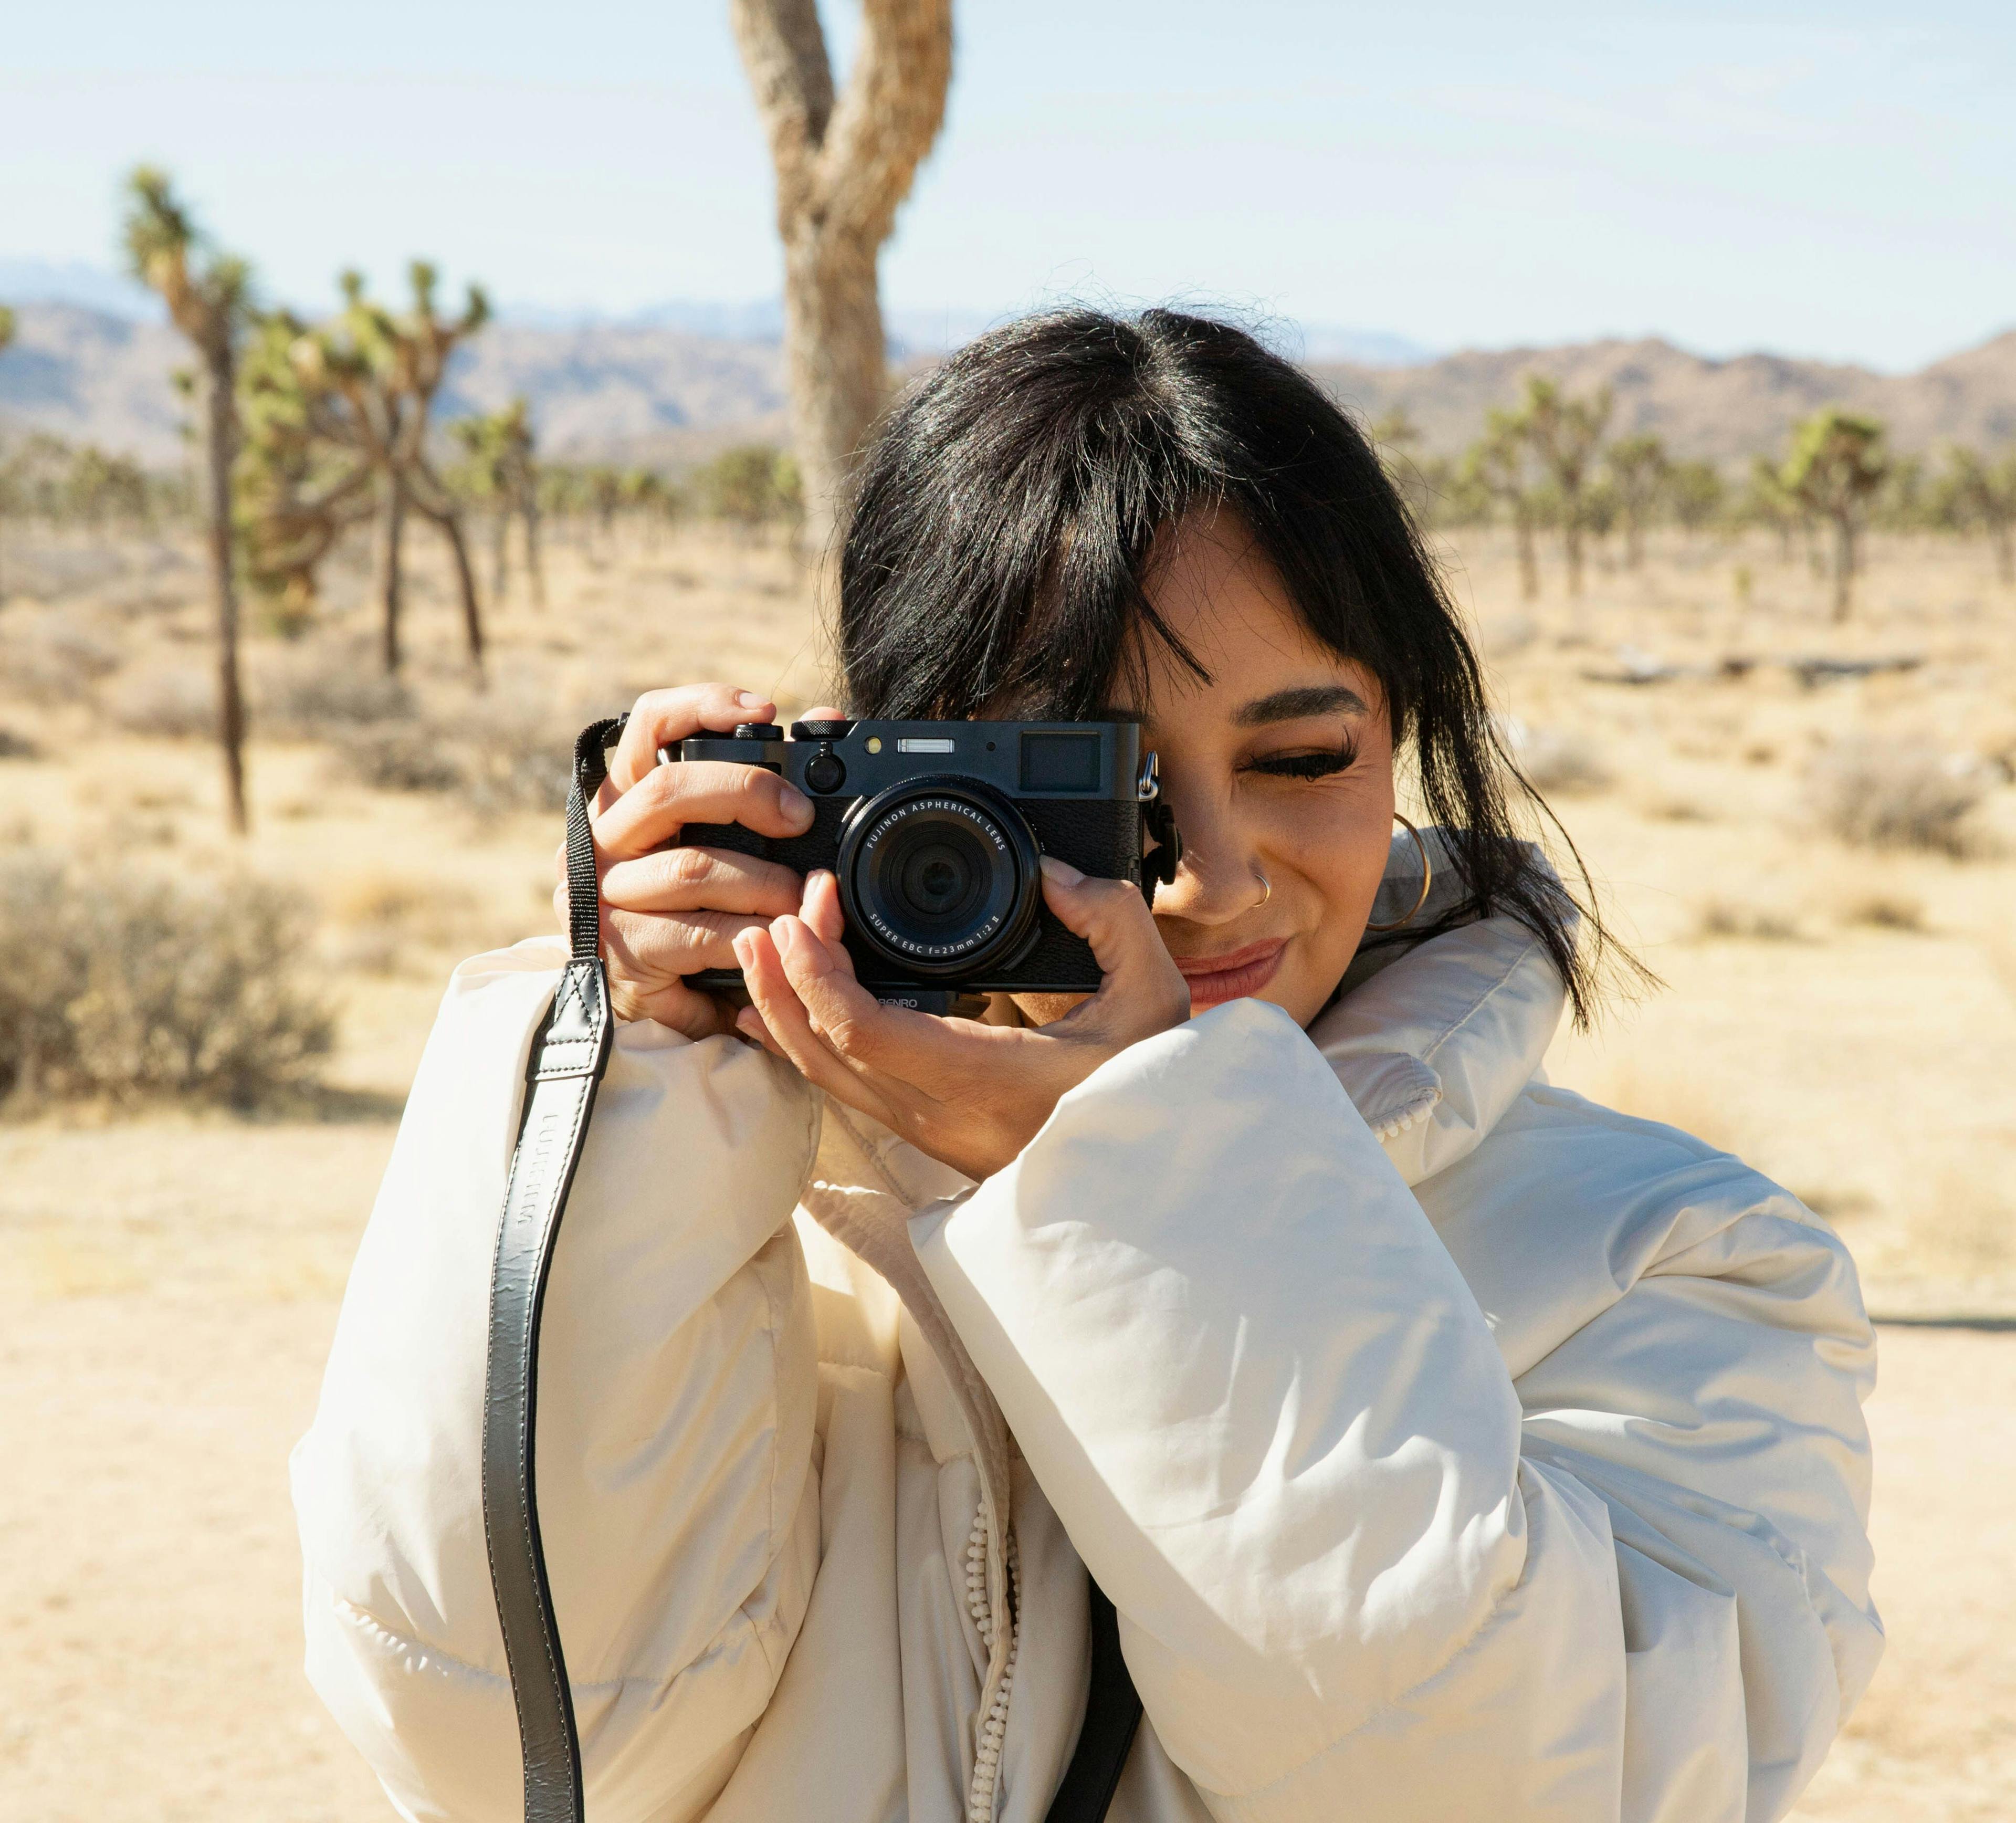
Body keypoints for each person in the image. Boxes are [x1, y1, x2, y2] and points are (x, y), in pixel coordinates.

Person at [291, 310, 1881, 1823]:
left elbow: (1524, 1785)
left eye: (1303, 757)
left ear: (1404, 736)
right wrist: (635, 1087)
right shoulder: (744, 1213)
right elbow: (511, 1748)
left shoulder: (1685, 1264)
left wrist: (1138, 1186)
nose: (1208, 872)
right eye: (1087, 783)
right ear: (894, 772)